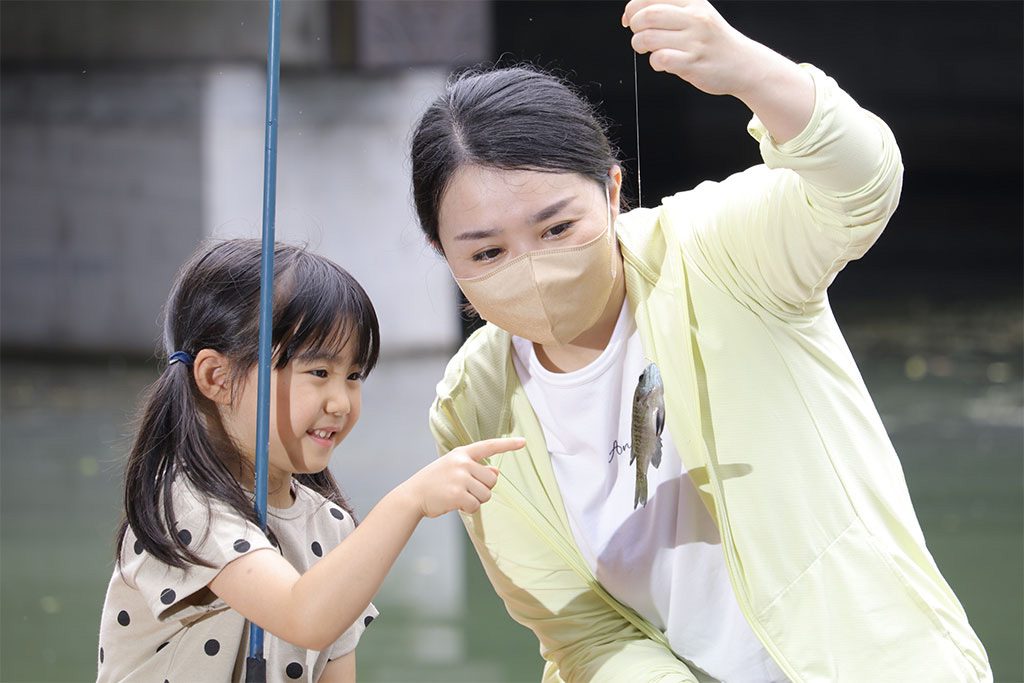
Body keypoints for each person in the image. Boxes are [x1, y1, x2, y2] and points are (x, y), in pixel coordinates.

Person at [410, 1, 992, 681]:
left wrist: (750, 71)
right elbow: (578, 627)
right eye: (487, 253)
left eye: (557, 228)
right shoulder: (469, 405)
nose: (532, 268)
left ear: (611, 188)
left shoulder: (717, 249)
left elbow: (861, 187)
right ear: (440, 251)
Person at [96, 239, 524, 683]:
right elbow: (302, 615)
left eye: (354, 376)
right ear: (216, 377)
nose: (341, 402)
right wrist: (410, 500)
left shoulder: (332, 525)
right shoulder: (186, 507)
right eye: (319, 373)